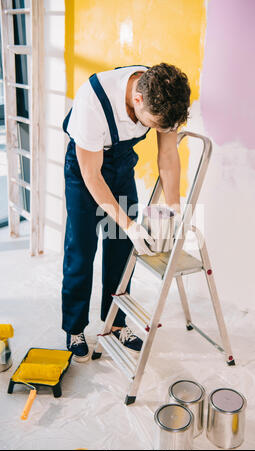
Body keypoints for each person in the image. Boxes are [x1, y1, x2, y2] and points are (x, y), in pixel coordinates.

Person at [61, 63, 191, 362]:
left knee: (121, 249)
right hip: (85, 173)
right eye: (154, 124)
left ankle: (116, 323)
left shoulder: (164, 97)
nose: (157, 130)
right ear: (138, 100)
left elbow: (168, 156)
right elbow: (92, 177)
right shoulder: (92, 100)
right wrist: (130, 224)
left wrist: (174, 210)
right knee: (81, 250)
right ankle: (75, 328)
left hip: (121, 169)